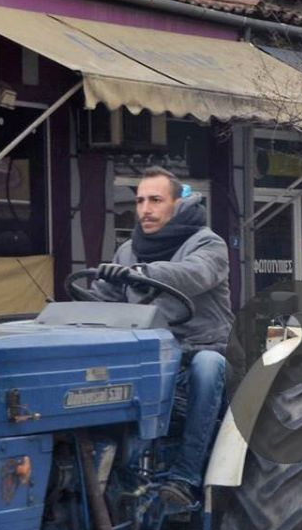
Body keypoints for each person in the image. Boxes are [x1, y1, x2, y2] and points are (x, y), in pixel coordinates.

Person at [91, 167, 233, 502]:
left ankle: (184, 478)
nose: (144, 209)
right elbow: (104, 299)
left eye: (155, 200)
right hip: (149, 355)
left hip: (198, 353)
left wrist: (143, 273)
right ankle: (115, 476)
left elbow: (195, 274)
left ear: (177, 204)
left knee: (208, 366)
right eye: (140, 200)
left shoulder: (208, 244)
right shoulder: (128, 250)